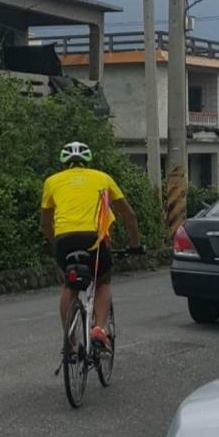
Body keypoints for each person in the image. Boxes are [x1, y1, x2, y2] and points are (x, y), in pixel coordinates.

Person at [40, 141, 140, 350]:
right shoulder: (102, 178)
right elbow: (128, 215)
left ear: (64, 162)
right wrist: (135, 244)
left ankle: (69, 342)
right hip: (94, 238)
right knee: (103, 281)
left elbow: (45, 223)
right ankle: (99, 330)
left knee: (70, 285)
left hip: (64, 239)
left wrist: (56, 243)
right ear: (87, 161)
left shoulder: (51, 181)